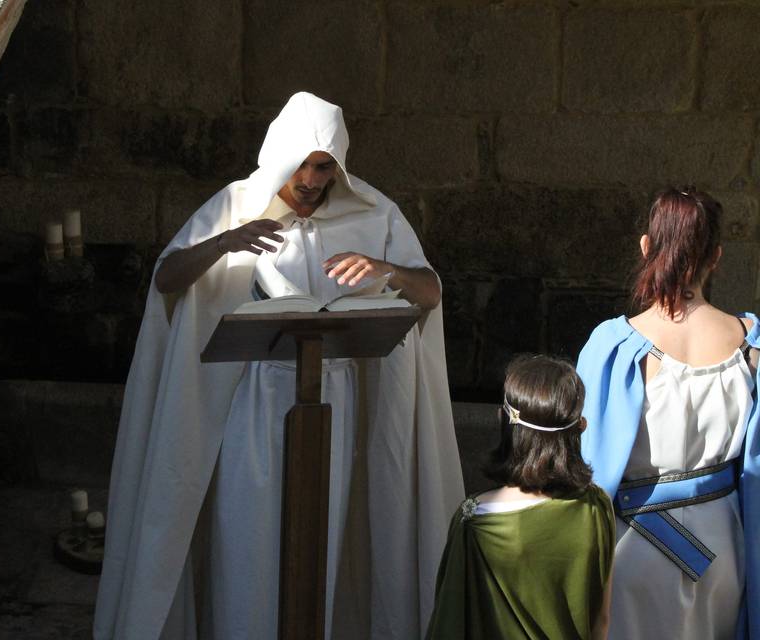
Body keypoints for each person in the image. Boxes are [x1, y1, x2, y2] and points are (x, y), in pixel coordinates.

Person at [93, 92, 464, 640]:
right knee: (250, 535)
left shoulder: (376, 214)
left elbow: (429, 292)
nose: (312, 180)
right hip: (254, 405)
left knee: (327, 531)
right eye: (303, 166)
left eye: (324, 167)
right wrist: (225, 242)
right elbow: (168, 279)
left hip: (336, 403)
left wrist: (389, 269)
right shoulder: (237, 203)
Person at [576, 187, 760, 639]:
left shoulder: (612, 346)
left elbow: (577, 463)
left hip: (635, 547)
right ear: (715, 257)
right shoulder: (751, 345)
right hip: (724, 545)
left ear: (646, 247)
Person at [426, 354, 615, 640]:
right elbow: (600, 621)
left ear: (503, 421)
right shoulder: (597, 507)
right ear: (580, 428)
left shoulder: (474, 520)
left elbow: (449, 624)